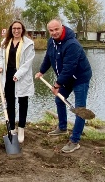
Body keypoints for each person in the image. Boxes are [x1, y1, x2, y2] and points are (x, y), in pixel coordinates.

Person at [35, 19, 92, 153]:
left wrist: (56, 85)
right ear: (49, 31)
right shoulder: (51, 42)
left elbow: (69, 68)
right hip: (67, 78)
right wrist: (42, 71)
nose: (54, 32)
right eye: (51, 30)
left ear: (62, 28)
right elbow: (48, 58)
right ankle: (62, 127)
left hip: (80, 78)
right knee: (59, 100)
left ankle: (75, 141)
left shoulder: (72, 44)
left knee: (80, 110)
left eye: (56, 29)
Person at [0, 20, 35, 143]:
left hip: (21, 76)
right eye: (14, 28)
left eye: (18, 28)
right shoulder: (5, 42)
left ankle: (21, 128)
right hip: (8, 75)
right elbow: (1, 57)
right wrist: (1, 66)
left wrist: (18, 74)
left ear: (22, 29)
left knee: (23, 102)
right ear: (10, 30)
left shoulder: (29, 44)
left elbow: (28, 62)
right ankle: (12, 128)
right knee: (10, 102)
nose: (16, 31)